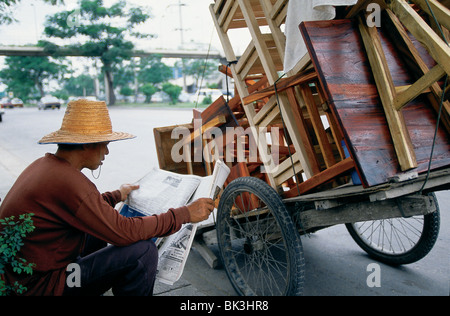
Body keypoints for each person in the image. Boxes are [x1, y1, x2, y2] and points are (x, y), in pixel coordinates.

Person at [0, 99, 215, 296]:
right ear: (86, 144)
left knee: (97, 231)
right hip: (43, 287)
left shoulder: (45, 166)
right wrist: (184, 213)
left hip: (24, 277)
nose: (107, 152)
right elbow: (123, 232)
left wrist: (117, 195)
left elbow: (81, 207)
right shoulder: (69, 181)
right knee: (142, 253)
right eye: (105, 143)